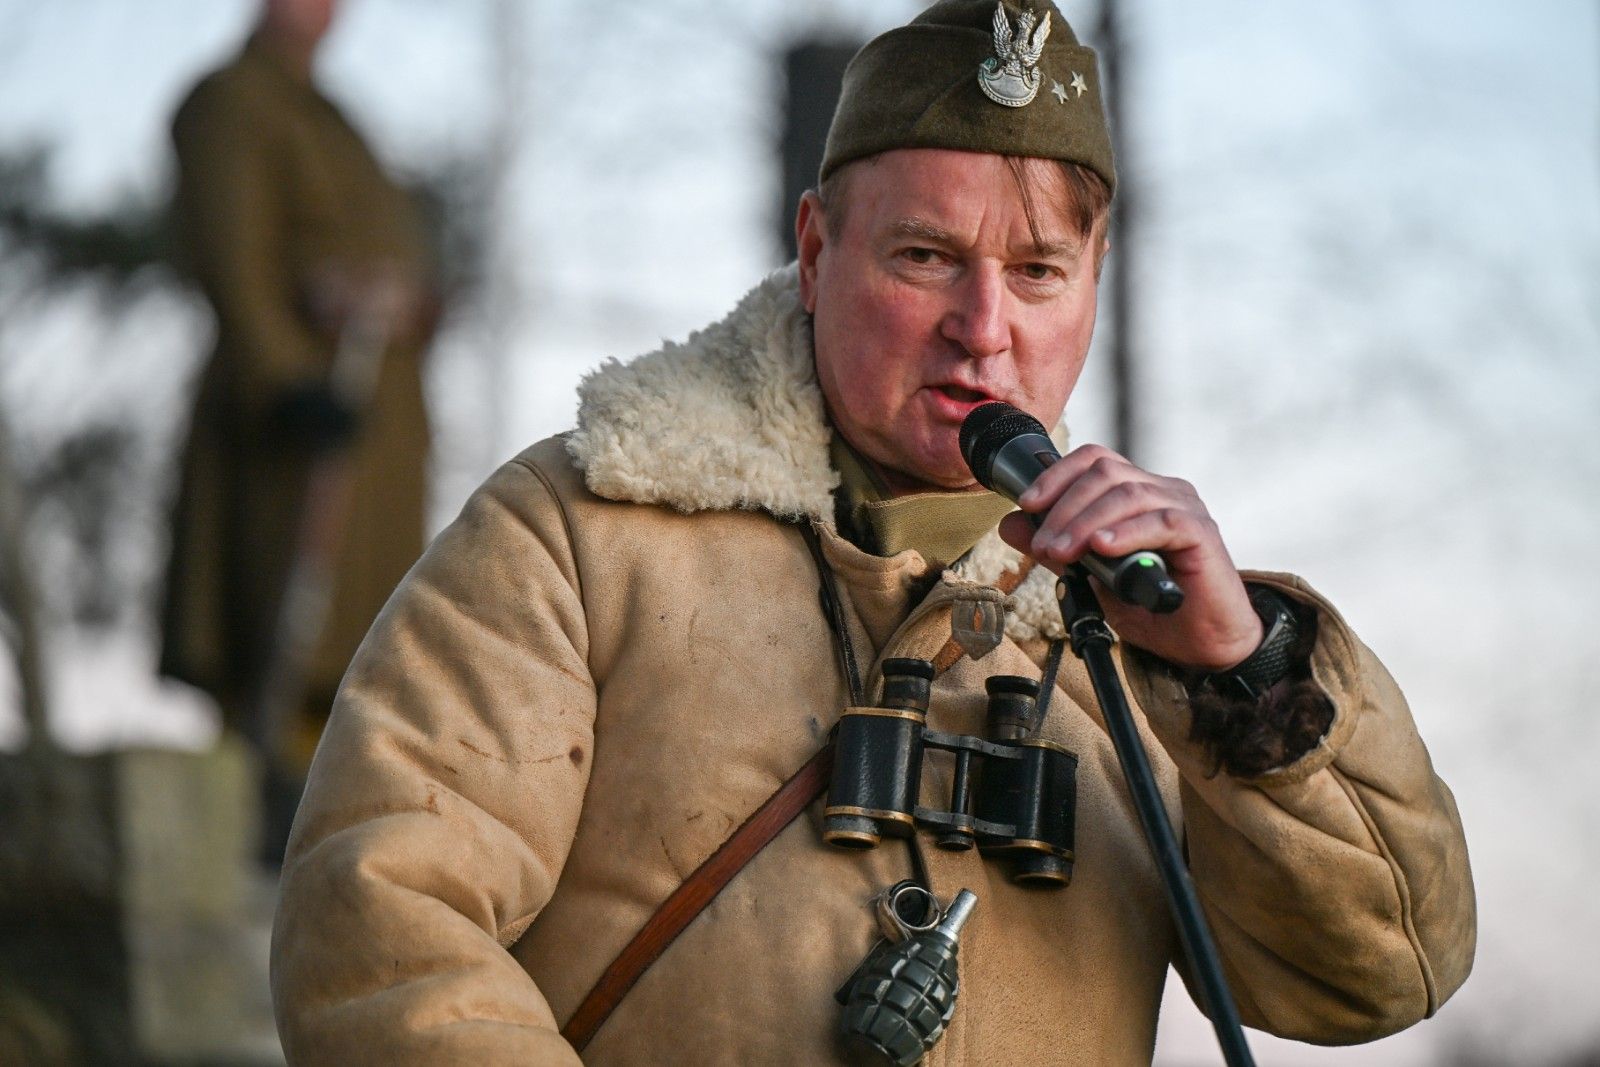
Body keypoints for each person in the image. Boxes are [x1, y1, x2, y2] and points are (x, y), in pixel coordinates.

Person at [271, 2, 1475, 1062]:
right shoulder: (579, 533)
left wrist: (1245, 672)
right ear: (814, 251)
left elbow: (1378, 975)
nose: (983, 327)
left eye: (1038, 271)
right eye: (926, 256)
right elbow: (383, 927)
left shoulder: (1145, 621)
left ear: (1094, 280)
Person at [159, 0, 438, 858]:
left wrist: (408, 300)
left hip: (376, 414)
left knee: (360, 643)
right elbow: (232, 255)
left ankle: (329, 808)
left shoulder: (340, 120)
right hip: (294, 417)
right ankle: (253, 813)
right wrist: (284, 381)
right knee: (277, 626)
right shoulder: (232, 100)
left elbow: (397, 249)